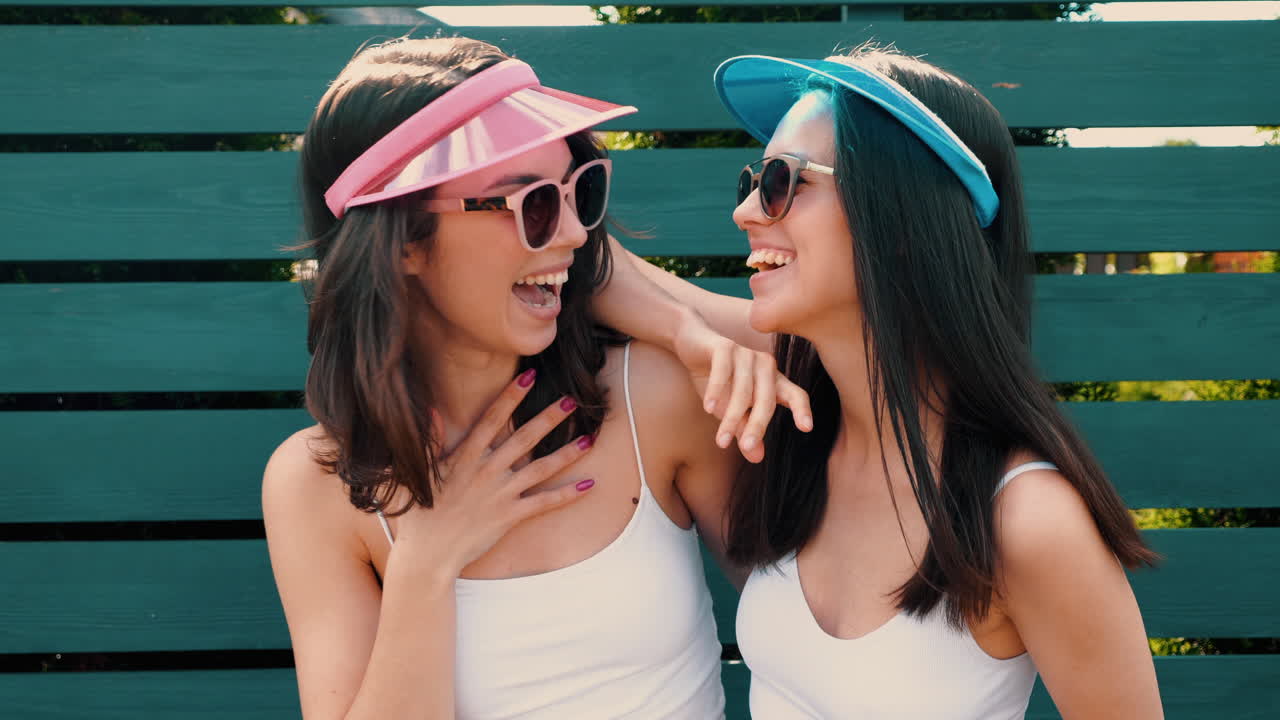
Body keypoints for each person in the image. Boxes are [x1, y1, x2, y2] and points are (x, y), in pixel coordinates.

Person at [599, 46, 1163, 718]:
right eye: (752, 180)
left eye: (782, 181)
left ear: (899, 219)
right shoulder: (802, 407)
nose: (746, 211)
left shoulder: (1028, 522)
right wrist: (686, 337)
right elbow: (597, 271)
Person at [261, 37, 808, 720]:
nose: (574, 233)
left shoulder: (651, 399)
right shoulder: (315, 486)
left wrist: (681, 329)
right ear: (402, 241)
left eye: (581, 192)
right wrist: (426, 564)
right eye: (532, 204)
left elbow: (818, 636)